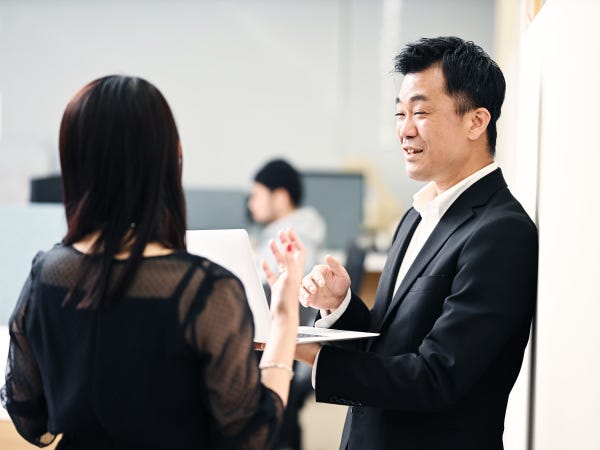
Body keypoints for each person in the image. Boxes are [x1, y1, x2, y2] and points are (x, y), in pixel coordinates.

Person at [1, 75, 306, 450]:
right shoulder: (206, 292)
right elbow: (250, 435)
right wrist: (284, 318)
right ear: (168, 161)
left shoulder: (46, 275)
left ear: (74, 162)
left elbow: (32, 421)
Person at [296, 36, 538, 450]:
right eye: (400, 113)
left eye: (421, 112)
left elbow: (436, 377)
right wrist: (340, 305)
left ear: (476, 122)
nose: (405, 130)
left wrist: (314, 357)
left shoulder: (502, 232)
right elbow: (389, 343)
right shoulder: (416, 215)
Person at [248, 158, 326, 450]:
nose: (251, 204)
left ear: (280, 197)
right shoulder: (288, 232)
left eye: (256, 195)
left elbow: (267, 295)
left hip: (285, 353)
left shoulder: (289, 238)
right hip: (282, 347)